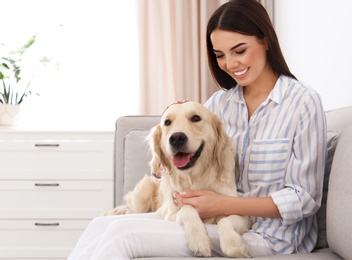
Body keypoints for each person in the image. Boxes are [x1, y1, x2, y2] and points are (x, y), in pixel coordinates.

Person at [67, 0, 326, 258]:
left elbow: (305, 198)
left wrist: (225, 204)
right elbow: (182, 161)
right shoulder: (217, 105)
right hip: (213, 221)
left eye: (240, 50)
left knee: (124, 237)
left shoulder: (303, 103)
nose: (230, 64)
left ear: (265, 40)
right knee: (101, 225)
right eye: (220, 55)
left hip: (271, 236)